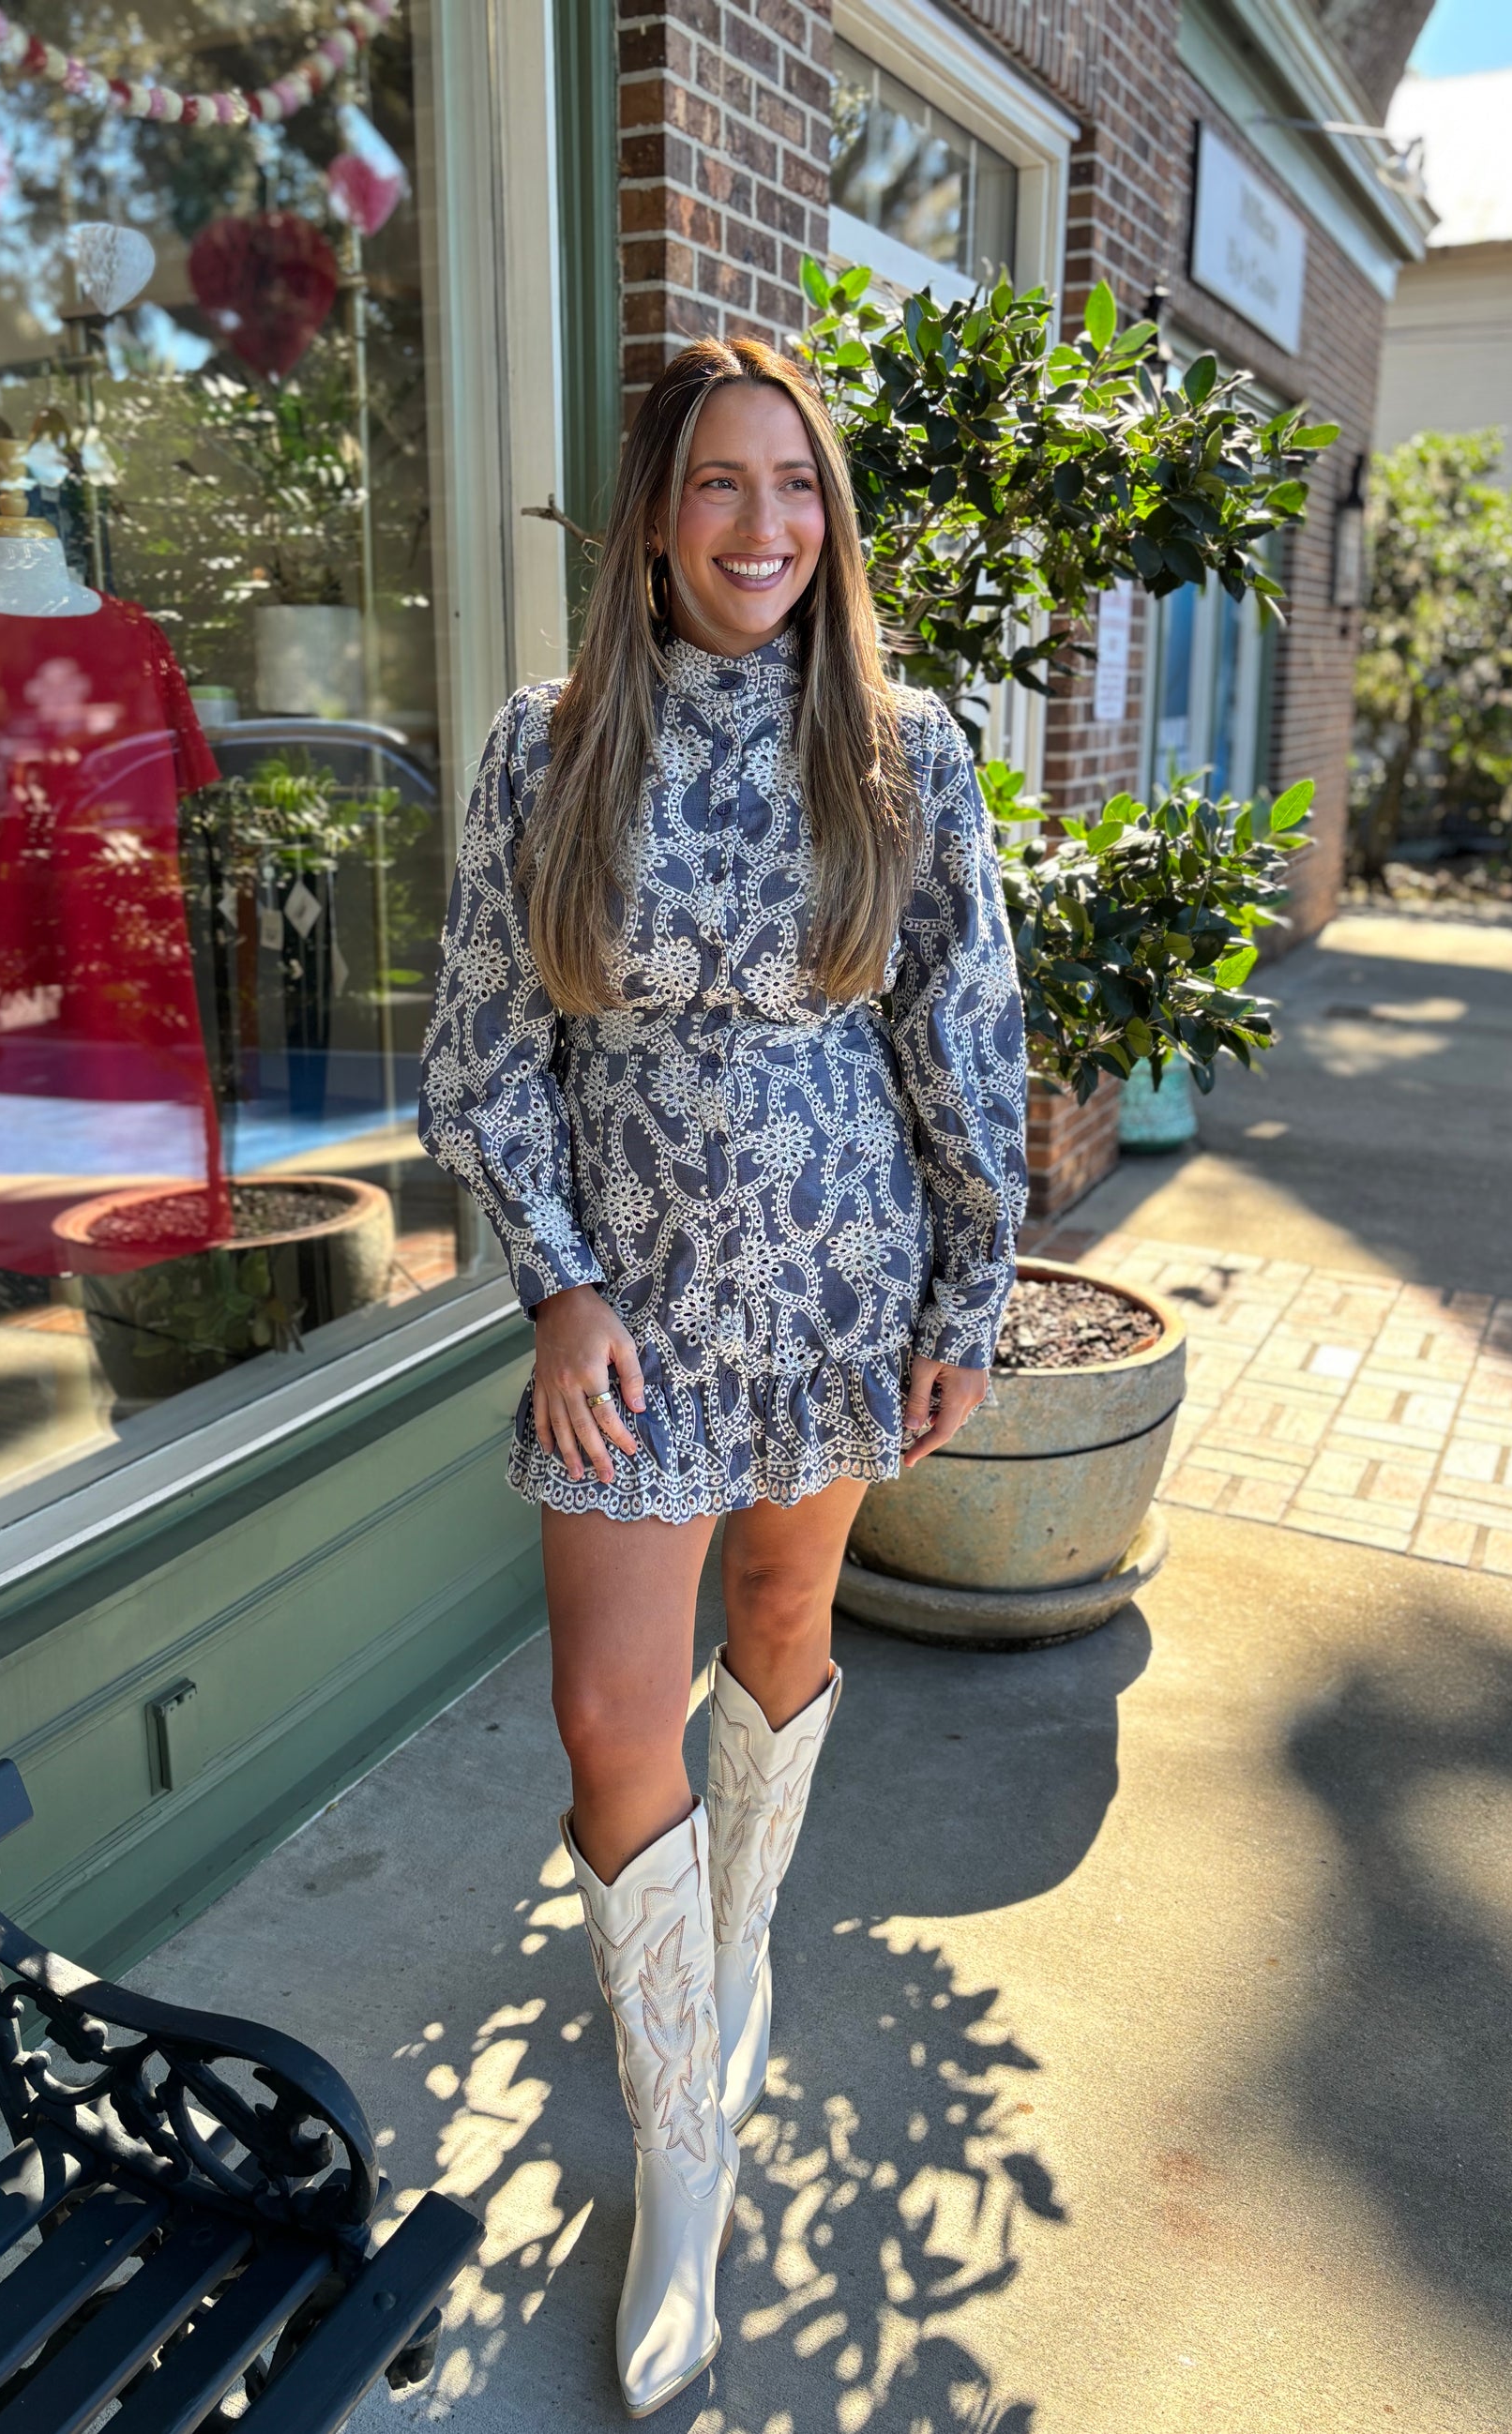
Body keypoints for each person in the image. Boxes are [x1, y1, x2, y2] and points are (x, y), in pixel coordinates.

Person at [417, 336, 1027, 2417]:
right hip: (634, 1309)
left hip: (843, 1271)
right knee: (610, 1715)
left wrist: (964, 1297)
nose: (760, 525)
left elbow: (960, 1030)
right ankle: (683, 2137)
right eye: (716, 483)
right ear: (654, 518)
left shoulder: (902, 746)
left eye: (793, 484)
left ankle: (732, 1950)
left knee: (781, 1619)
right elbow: (487, 1046)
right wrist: (558, 1288)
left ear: (827, 517)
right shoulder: (547, 745)